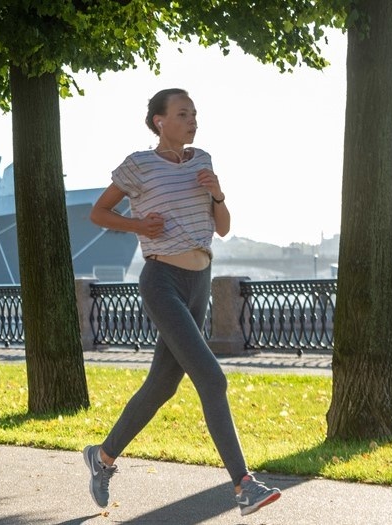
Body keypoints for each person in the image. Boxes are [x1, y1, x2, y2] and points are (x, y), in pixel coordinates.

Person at [83, 88, 281, 517]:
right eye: (183, 113)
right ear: (159, 121)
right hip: (162, 281)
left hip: (200, 280)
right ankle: (244, 485)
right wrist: (139, 224)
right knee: (212, 378)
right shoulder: (139, 165)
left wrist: (218, 194)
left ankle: (101, 458)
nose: (193, 121)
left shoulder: (203, 160)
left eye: (194, 114)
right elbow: (98, 213)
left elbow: (223, 229)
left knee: (162, 385)